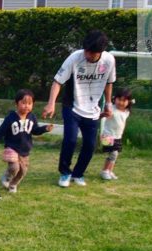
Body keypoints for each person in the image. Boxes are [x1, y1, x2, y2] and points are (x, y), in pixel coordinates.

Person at [42, 30, 116, 187]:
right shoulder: (75, 58)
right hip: (72, 106)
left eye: (92, 53)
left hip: (93, 109)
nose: (87, 55)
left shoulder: (109, 60)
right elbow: (57, 81)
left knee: (90, 145)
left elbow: (109, 83)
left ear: (100, 52)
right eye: (86, 51)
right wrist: (51, 103)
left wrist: (108, 104)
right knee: (70, 140)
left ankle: (78, 173)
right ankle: (65, 173)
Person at [0, 89, 54, 193]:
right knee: (14, 167)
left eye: (29, 103)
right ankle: (7, 176)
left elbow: (35, 130)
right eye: (23, 103)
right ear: (16, 103)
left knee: (23, 171)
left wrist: (45, 128)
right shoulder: (10, 117)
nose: (26, 106)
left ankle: (13, 184)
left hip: (25, 149)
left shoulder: (32, 117)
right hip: (12, 148)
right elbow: (1, 131)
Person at [100, 88, 133, 180]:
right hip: (107, 136)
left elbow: (123, 122)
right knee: (113, 154)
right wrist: (105, 113)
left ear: (128, 102)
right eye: (119, 99)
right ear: (115, 99)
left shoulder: (126, 112)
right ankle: (105, 171)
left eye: (124, 100)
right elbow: (103, 115)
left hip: (117, 137)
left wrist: (121, 133)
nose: (121, 102)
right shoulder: (111, 109)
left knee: (115, 155)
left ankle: (109, 171)